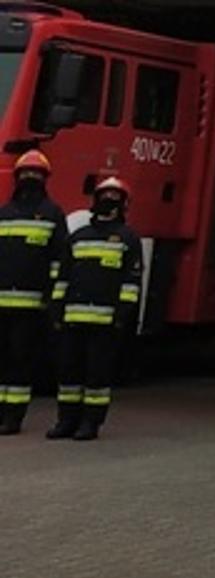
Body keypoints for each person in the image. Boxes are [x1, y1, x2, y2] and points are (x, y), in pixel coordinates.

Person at [48, 177, 141, 441]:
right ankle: (66, 421)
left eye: (114, 196)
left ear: (123, 204)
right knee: (68, 373)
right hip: (72, 319)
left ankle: (91, 423)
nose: (108, 200)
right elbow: (63, 276)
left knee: (97, 376)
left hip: (106, 322)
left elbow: (131, 282)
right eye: (104, 195)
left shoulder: (128, 239)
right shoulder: (77, 237)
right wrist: (56, 308)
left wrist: (122, 315)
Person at [0, 151, 69, 436]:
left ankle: (13, 416)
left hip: (31, 306)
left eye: (35, 175)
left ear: (45, 180)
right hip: (1, 303)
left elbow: (59, 261)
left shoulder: (53, 214)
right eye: (26, 174)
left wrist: (53, 299)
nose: (30, 179)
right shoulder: (4, 214)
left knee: (20, 361)